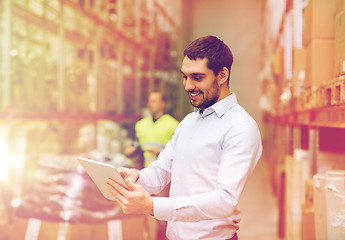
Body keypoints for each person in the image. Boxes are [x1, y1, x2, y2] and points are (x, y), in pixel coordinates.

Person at [107, 36, 262, 240]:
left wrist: (152, 206)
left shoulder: (241, 126)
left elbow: (225, 200)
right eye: (185, 76)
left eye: (197, 77)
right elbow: (161, 172)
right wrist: (137, 178)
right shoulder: (188, 122)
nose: (188, 86)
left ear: (222, 75)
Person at [125, 91, 179, 169]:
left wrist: (161, 152)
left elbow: (178, 152)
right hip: (144, 170)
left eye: (154, 101)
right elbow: (135, 144)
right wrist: (131, 150)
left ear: (162, 104)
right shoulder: (140, 125)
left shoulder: (174, 125)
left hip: (165, 171)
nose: (149, 104)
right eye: (149, 101)